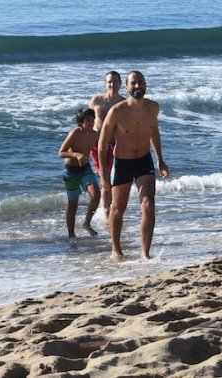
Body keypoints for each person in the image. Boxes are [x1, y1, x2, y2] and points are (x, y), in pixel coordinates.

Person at [98, 70, 169, 261]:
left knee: (148, 205)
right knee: (117, 209)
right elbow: (102, 142)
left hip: (144, 160)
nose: (138, 86)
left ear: (145, 84)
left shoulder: (153, 108)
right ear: (127, 87)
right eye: (134, 83)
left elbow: (153, 131)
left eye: (141, 82)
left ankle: (145, 253)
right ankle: (116, 250)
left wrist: (160, 159)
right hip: (122, 162)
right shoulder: (117, 111)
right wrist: (104, 174)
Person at [58, 108, 101, 237]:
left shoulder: (95, 135)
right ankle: (71, 235)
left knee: (96, 196)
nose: (91, 122)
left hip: (85, 169)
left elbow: (100, 151)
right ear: (80, 122)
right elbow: (61, 153)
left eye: (92, 119)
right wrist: (76, 154)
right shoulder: (75, 133)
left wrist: (102, 167)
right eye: (87, 120)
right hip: (70, 171)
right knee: (73, 206)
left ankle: (86, 223)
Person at [89, 71, 125, 214]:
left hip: (115, 145)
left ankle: (112, 209)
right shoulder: (96, 101)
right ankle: (105, 212)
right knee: (104, 178)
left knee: (114, 179)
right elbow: (86, 122)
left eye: (115, 81)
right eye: (110, 81)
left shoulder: (123, 103)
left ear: (121, 84)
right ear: (105, 84)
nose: (112, 84)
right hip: (97, 145)